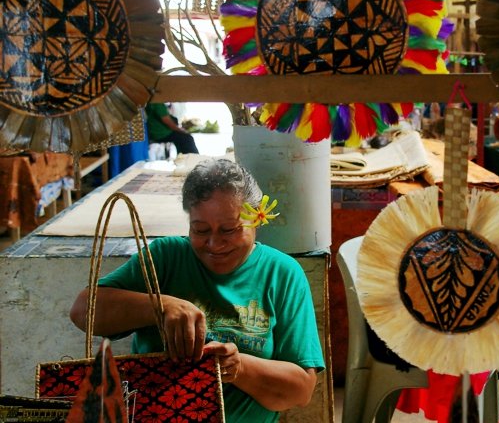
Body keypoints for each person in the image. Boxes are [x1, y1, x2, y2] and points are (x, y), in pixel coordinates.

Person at [69, 158, 325, 422]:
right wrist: (161, 306)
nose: (214, 243)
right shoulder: (166, 258)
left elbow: (301, 391)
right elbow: (82, 312)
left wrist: (239, 367)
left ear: (257, 219)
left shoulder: (282, 274)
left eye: (230, 229)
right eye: (200, 230)